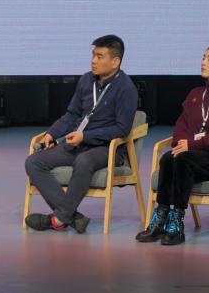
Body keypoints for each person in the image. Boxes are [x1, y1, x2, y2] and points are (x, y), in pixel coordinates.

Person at [136, 44, 209, 245]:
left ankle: (176, 221)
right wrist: (184, 143)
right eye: (203, 57)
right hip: (195, 154)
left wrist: (193, 144)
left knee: (183, 160)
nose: (203, 62)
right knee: (169, 158)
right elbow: (182, 126)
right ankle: (161, 215)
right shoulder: (195, 93)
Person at [24, 34, 138, 234]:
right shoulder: (86, 80)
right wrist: (51, 134)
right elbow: (72, 115)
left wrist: (86, 137)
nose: (93, 60)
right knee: (33, 162)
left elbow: (122, 129)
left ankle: (58, 219)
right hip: (78, 144)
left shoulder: (126, 88)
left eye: (99, 56)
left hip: (107, 148)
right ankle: (71, 217)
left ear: (115, 62)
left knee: (83, 161)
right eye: (93, 55)